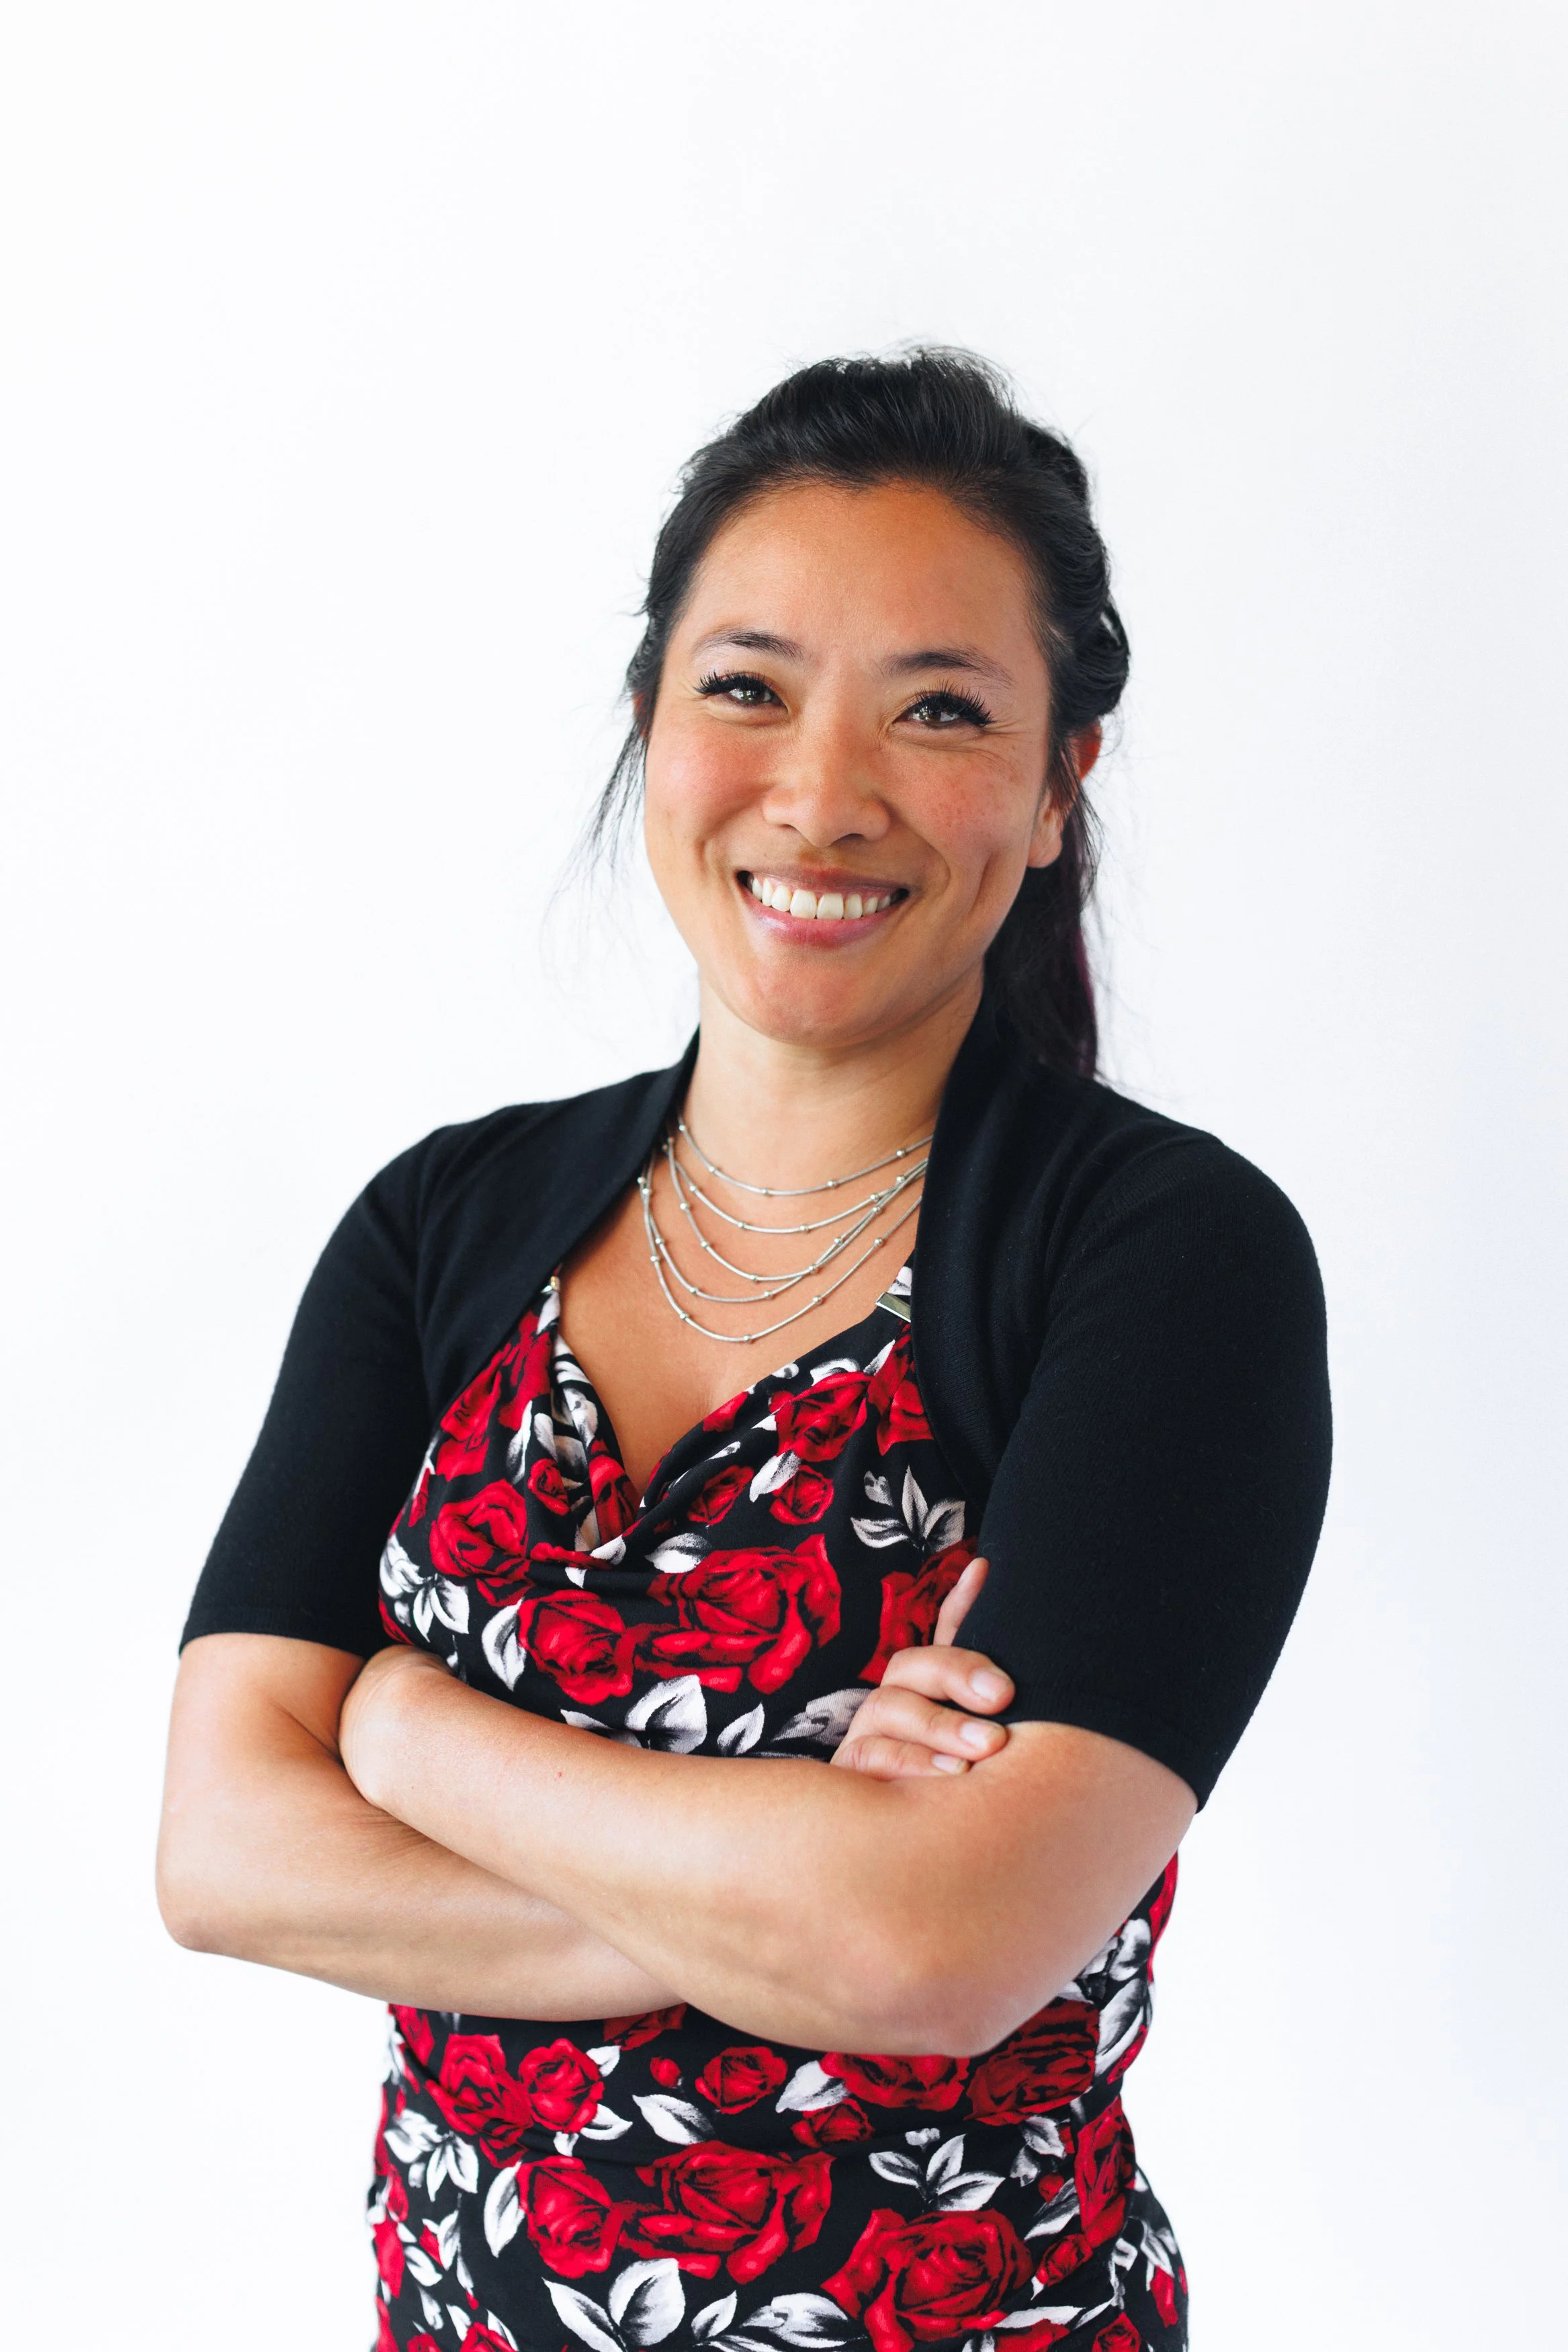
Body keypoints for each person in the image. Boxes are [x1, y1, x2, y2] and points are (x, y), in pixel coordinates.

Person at [158, 350, 1331, 2352]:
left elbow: (929, 1944)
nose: (819, 791)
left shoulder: (1163, 1258)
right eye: (746, 685)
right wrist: (779, 1869)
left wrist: (403, 1734)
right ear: (649, 724)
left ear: (1060, 790)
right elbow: (220, 1850)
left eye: (941, 709)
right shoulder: (444, 1220)